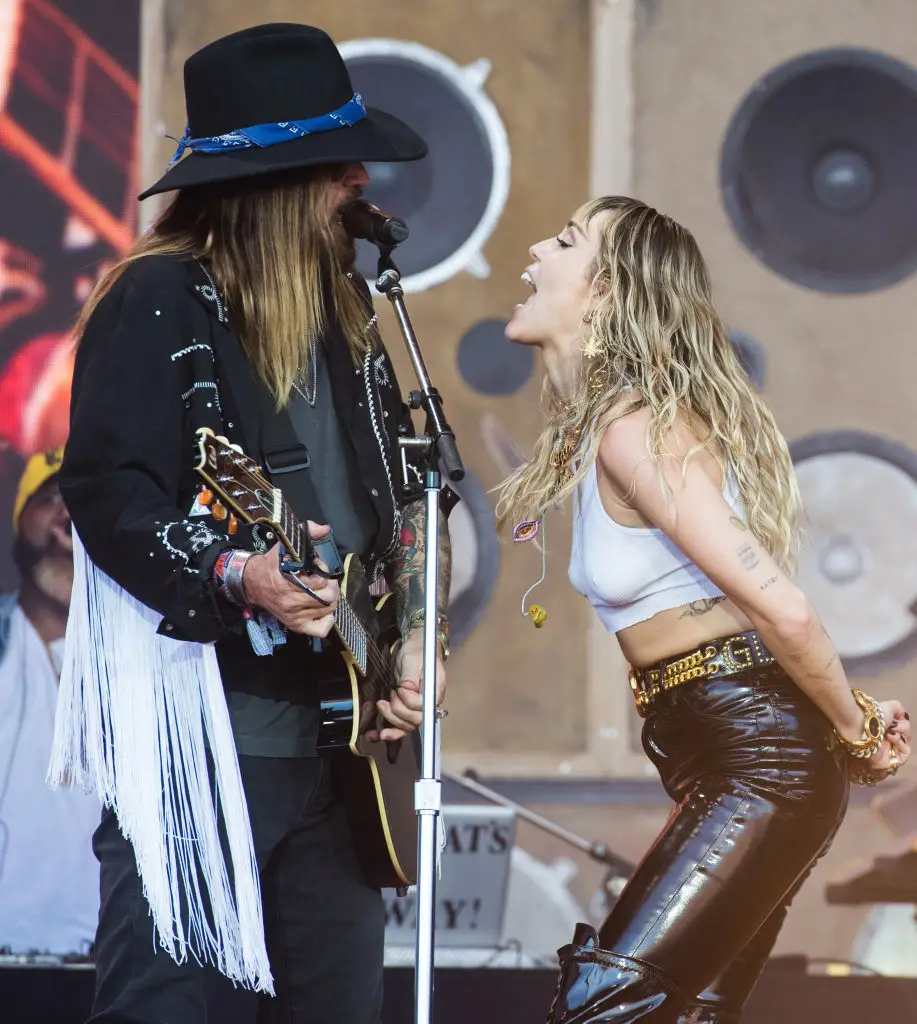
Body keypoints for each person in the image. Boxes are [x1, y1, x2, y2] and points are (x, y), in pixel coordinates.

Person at [50, 23, 452, 1024]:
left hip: (340, 758)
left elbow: (399, 496)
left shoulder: (351, 309)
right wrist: (237, 571)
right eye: (335, 168)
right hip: (206, 744)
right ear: (277, 183)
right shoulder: (154, 300)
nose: (360, 181)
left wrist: (413, 641)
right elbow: (107, 489)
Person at [497, 195, 912, 1023]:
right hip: (733, 746)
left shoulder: (633, 427)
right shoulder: (607, 429)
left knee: (603, 1005)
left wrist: (856, 730)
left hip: (761, 759)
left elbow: (782, 612)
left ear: (607, 292)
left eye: (567, 239)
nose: (536, 247)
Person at [0, 447, 99, 956]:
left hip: (115, 962)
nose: (68, 514)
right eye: (53, 498)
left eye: (84, 501)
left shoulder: (157, 662)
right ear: (20, 523)